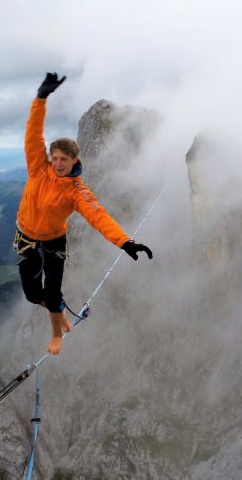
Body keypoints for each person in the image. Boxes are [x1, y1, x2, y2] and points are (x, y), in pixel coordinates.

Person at [15, 72, 153, 355]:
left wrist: (125, 242)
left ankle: (57, 333)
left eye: (63, 160)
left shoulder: (76, 191)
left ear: (74, 160)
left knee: (52, 294)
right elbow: (33, 132)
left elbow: (99, 216)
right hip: (26, 235)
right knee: (33, 295)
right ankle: (61, 312)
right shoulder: (38, 168)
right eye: (54, 158)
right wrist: (41, 98)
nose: (57, 164)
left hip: (54, 240)